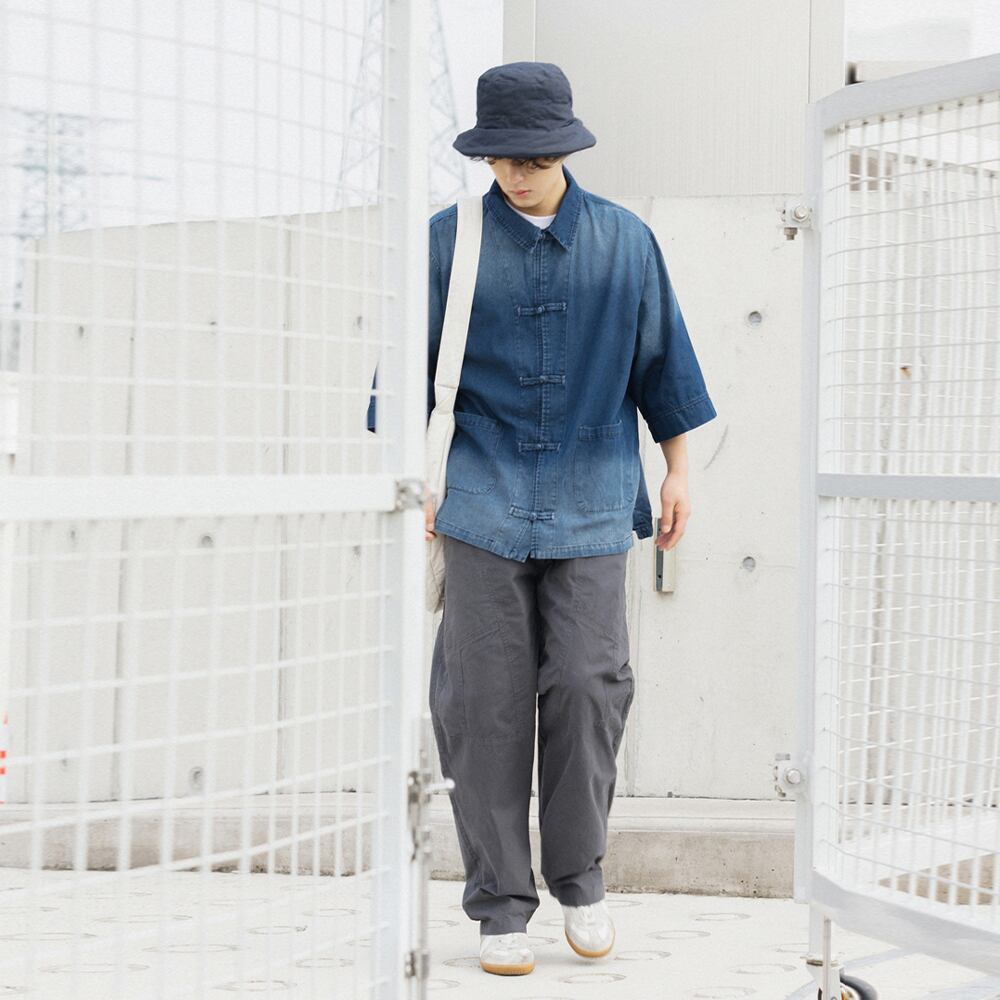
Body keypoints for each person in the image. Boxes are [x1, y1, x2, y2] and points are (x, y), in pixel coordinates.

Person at [367, 60, 716, 977]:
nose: (517, 175)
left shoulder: (625, 241)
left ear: (565, 150)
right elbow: (400, 386)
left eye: (534, 158)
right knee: (481, 700)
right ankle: (499, 904)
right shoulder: (447, 241)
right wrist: (412, 487)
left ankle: (581, 879)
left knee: (592, 685)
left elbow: (664, 365)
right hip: (478, 499)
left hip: (594, 497)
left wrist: (679, 472)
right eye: (501, 158)